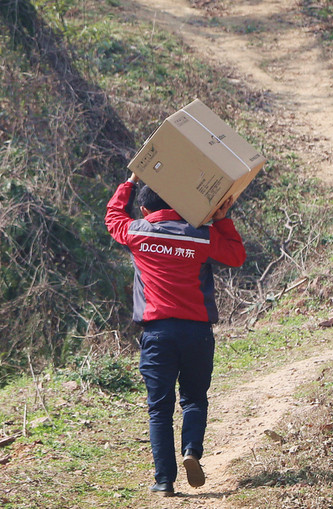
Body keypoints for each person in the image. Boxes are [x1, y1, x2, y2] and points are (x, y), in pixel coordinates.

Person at [105, 173, 246, 497]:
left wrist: (129, 181)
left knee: (160, 408)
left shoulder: (137, 232)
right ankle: (192, 451)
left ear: (144, 210)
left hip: (158, 334)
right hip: (197, 332)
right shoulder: (199, 234)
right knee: (194, 398)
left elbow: (113, 218)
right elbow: (236, 257)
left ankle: (164, 481)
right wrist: (223, 220)